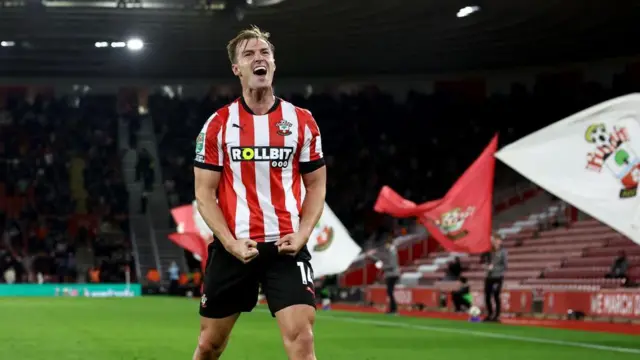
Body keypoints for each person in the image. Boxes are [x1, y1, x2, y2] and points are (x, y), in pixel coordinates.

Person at [192, 26, 326, 360]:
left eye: (264, 52)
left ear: (274, 63)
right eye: (249, 54)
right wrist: (230, 242)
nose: (259, 58)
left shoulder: (302, 121)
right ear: (237, 69)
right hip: (233, 248)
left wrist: (302, 234)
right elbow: (204, 194)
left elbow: (316, 184)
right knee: (210, 344)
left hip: (285, 249)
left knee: (302, 338)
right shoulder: (218, 125)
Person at [367, 237, 400, 314]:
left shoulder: (392, 252)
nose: (385, 246)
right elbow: (382, 260)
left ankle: (393, 310)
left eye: (386, 244)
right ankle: (392, 309)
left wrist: (382, 266)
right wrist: (372, 257)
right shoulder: (391, 251)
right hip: (391, 274)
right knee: (389, 292)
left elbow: (391, 265)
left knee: (390, 292)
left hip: (392, 274)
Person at [483, 234, 507, 322]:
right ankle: (489, 314)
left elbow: (505, 266)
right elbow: (483, 262)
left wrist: (494, 268)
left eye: (496, 240)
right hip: (489, 277)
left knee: (496, 295)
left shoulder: (503, 252)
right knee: (487, 296)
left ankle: (497, 316)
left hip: (498, 277)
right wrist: (486, 267)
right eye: (493, 240)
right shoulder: (488, 251)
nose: (494, 242)